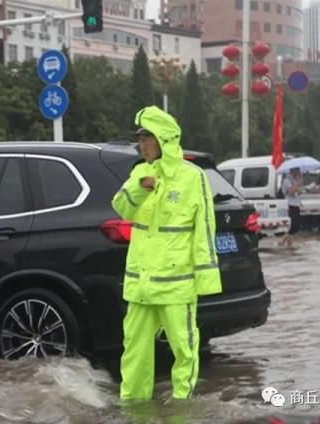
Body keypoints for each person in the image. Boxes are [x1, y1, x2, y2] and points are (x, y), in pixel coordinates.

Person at [111, 106, 222, 401]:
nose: (141, 144)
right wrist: (139, 188)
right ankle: (134, 411)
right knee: (134, 351)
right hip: (141, 286)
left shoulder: (192, 177)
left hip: (176, 284)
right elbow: (120, 207)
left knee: (184, 350)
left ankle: (182, 411)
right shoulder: (139, 172)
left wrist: (207, 280)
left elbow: (204, 229)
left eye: (145, 138)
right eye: (139, 138)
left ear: (163, 139)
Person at [279, 167, 303, 247]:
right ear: (292, 171)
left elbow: (298, 192)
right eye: (298, 170)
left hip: (296, 204)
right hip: (290, 205)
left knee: (294, 227)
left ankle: (288, 245)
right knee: (293, 226)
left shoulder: (294, 181)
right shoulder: (286, 181)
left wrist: (299, 187)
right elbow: (290, 192)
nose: (299, 172)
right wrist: (298, 183)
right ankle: (283, 241)